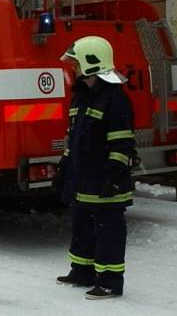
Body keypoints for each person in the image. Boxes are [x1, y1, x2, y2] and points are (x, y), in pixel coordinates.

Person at [55, 36, 135, 300]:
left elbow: (122, 143)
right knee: (82, 226)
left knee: (108, 230)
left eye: (77, 64)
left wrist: (114, 175)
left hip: (105, 182)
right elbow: (73, 138)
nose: (74, 69)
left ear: (92, 64)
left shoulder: (114, 99)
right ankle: (82, 271)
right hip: (82, 181)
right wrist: (64, 166)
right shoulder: (81, 98)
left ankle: (111, 281)